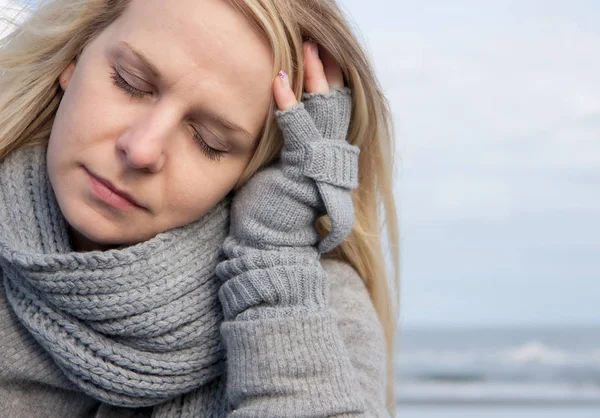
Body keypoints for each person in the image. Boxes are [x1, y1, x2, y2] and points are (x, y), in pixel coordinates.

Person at [0, 0, 400, 416]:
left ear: (255, 168)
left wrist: (273, 256)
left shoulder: (319, 311)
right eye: (130, 82)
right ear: (74, 57)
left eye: (209, 140)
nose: (141, 149)